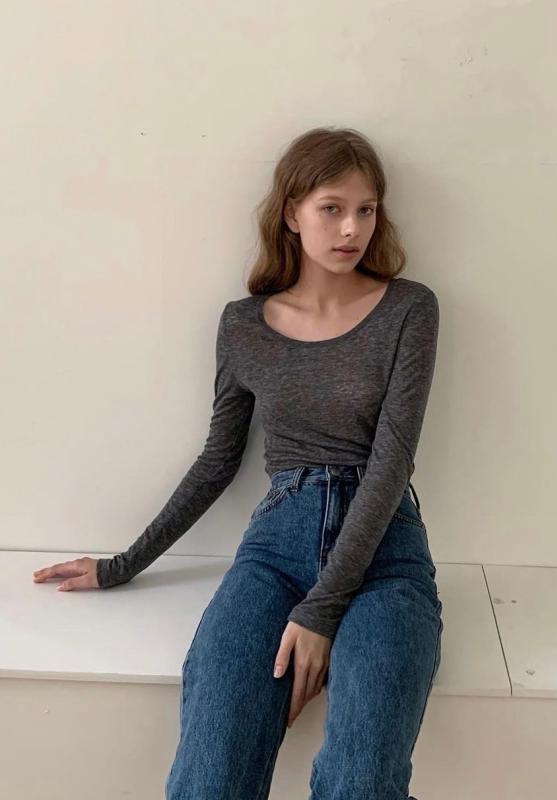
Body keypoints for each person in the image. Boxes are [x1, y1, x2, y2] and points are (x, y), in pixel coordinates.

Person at [33, 126, 443, 800]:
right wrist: (121, 565)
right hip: (275, 551)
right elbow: (218, 459)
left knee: (361, 780)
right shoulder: (244, 324)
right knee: (211, 773)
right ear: (292, 214)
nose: (352, 228)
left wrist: (321, 610)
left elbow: (391, 463)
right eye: (332, 208)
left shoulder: (409, 309)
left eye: (366, 209)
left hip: (384, 557)